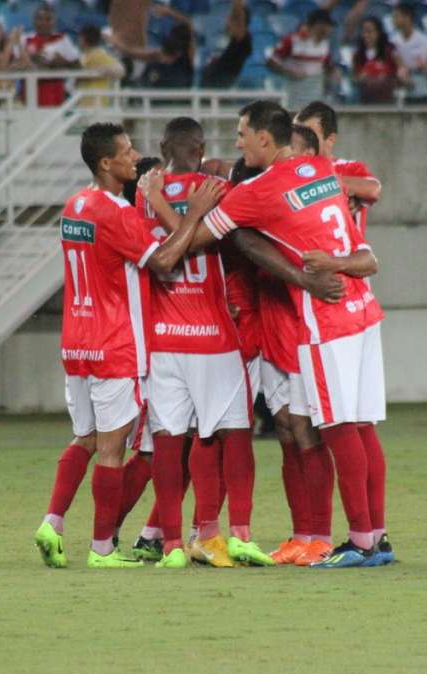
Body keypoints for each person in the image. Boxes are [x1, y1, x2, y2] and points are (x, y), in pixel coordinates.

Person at [192, 100, 388, 568]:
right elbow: (366, 251)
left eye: (242, 134)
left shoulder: (258, 190)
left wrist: (190, 212)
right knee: (358, 426)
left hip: (323, 316)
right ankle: (372, 538)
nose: (238, 142)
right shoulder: (321, 170)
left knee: (336, 427)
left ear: (264, 138)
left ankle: (359, 542)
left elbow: (206, 236)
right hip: (361, 307)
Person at [33, 122, 224, 569]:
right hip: (115, 342)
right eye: (126, 152)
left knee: (85, 437)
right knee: (113, 450)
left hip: (77, 340)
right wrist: (195, 213)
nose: (135, 156)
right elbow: (165, 260)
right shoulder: (115, 212)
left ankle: (52, 522)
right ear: (106, 163)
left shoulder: (75, 205)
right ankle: (103, 549)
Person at [135, 118, 272, 569]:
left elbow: (162, 252)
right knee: (234, 433)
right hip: (213, 336)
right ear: (202, 147)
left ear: (161, 147)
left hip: (164, 338)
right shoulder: (215, 189)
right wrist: (192, 210)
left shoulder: (144, 194)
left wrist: (158, 201)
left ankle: (172, 544)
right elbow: (198, 243)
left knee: (168, 440)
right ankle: (237, 535)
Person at [268, 8, 337, 108]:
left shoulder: (325, 45)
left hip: (315, 98)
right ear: (319, 25)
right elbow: (271, 61)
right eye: (329, 26)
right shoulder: (293, 41)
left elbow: (327, 66)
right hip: (294, 97)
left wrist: (334, 72)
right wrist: (288, 71)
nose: (331, 30)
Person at [21, 5, 81, 107]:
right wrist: (32, 59)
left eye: (48, 19)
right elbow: (15, 65)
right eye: (40, 19)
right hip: (30, 97)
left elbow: (78, 66)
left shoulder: (63, 40)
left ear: (54, 22)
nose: (43, 23)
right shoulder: (25, 39)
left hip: (55, 97)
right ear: (34, 21)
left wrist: (63, 61)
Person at [111, 20, 195, 89]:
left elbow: (190, 24)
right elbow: (130, 52)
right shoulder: (156, 59)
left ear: (178, 54)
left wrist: (169, 11)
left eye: (168, 56)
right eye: (164, 54)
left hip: (177, 101)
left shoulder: (186, 64)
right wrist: (115, 43)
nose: (164, 60)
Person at [390, 3, 427, 100]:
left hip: (422, 90)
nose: (393, 20)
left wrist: (426, 67)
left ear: (407, 17)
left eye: (396, 16)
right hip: (399, 91)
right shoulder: (392, 42)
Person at [201, 0, 251, 89]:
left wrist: (237, 3)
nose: (227, 19)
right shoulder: (225, 37)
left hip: (222, 89)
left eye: (231, 18)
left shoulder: (243, 40)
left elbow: (238, 15)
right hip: (207, 88)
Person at [352, 16, 403, 104]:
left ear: (378, 32)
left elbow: (401, 68)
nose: (366, 35)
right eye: (364, 32)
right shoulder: (357, 54)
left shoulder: (390, 50)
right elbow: (354, 78)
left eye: (370, 32)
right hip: (366, 97)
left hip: (388, 95)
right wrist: (361, 78)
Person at [77, 24, 125, 105]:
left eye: (80, 38)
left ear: (83, 39)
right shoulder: (83, 56)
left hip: (97, 104)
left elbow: (120, 70)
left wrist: (99, 71)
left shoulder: (99, 54)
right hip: (83, 102)